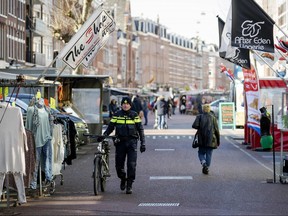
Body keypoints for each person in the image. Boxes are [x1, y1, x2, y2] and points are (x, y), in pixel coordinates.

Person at [102, 97, 146, 194]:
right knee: (119, 166)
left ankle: (129, 184)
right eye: (124, 104)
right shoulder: (117, 115)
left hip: (132, 143)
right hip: (120, 143)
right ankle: (123, 178)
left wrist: (143, 143)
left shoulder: (134, 115)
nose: (125, 105)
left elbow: (140, 130)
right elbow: (110, 128)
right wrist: (104, 135)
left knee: (131, 165)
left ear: (130, 105)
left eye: (127, 104)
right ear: (121, 105)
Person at [192, 104, 220, 175]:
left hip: (201, 138)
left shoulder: (200, 116)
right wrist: (218, 140)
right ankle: (207, 167)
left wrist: (199, 126)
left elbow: (194, 125)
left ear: (203, 109)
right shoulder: (213, 117)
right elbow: (217, 130)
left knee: (200, 153)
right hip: (211, 139)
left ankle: (204, 163)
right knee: (209, 154)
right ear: (209, 109)